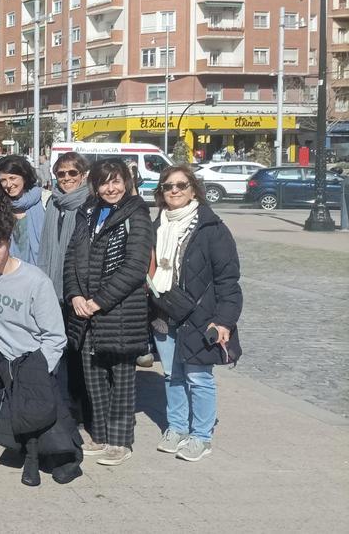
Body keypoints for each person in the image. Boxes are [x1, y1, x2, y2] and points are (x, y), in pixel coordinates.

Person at [0, 213, 83, 485]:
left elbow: (55, 337)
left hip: (33, 356)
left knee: (44, 423)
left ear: (8, 242)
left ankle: (56, 450)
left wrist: (36, 371)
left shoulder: (36, 281)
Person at [148, 165, 242, 463]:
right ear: (161, 192)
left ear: (193, 189)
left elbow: (228, 280)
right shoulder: (157, 226)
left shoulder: (211, 228)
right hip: (164, 312)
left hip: (201, 316)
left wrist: (225, 320)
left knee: (198, 377)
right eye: (168, 186)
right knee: (172, 375)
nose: (174, 191)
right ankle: (177, 427)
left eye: (181, 185)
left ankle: (201, 436)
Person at [63, 159, 153, 467]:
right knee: (94, 378)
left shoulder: (136, 213)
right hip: (85, 311)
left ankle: (119, 440)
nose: (110, 188)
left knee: (122, 379)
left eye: (116, 182)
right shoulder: (87, 212)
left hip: (120, 311)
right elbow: (72, 257)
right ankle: (99, 436)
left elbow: (135, 267)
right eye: (104, 183)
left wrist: (99, 301)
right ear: (95, 185)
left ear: (127, 182)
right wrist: (74, 295)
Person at [36, 152, 92, 429]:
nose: (67, 179)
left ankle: (81, 411)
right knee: (59, 350)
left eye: (72, 173)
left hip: (78, 292)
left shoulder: (89, 205)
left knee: (79, 354)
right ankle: (62, 403)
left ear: (83, 175)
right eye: (62, 174)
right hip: (52, 290)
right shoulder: (54, 205)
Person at [0, 155, 44, 266]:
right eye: (3, 180)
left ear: (24, 176)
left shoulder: (44, 200)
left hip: (39, 270)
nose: (9, 185)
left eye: (12, 178)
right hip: (8, 270)